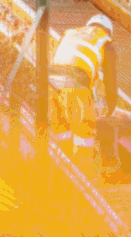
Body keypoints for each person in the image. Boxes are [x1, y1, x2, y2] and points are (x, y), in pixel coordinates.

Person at [49, 14, 118, 177]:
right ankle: (81, 175)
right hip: (77, 82)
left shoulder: (71, 33)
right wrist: (110, 108)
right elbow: (110, 81)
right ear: (108, 32)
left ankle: (60, 171)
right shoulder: (105, 43)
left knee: (61, 128)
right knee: (84, 132)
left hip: (51, 81)